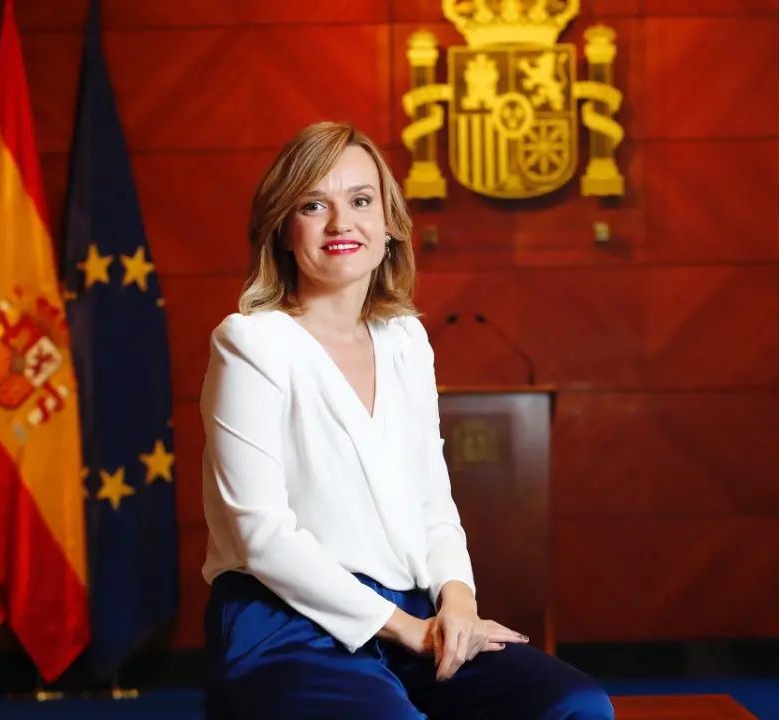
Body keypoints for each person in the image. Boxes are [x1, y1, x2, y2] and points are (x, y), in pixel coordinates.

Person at [198, 120, 614, 719]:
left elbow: (432, 503)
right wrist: (407, 629)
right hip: (285, 622)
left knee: (576, 706)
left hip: (413, 609)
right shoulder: (250, 342)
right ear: (283, 229)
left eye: (361, 201)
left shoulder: (405, 339)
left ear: (390, 224)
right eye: (314, 205)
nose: (341, 223)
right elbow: (260, 535)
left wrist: (458, 602)